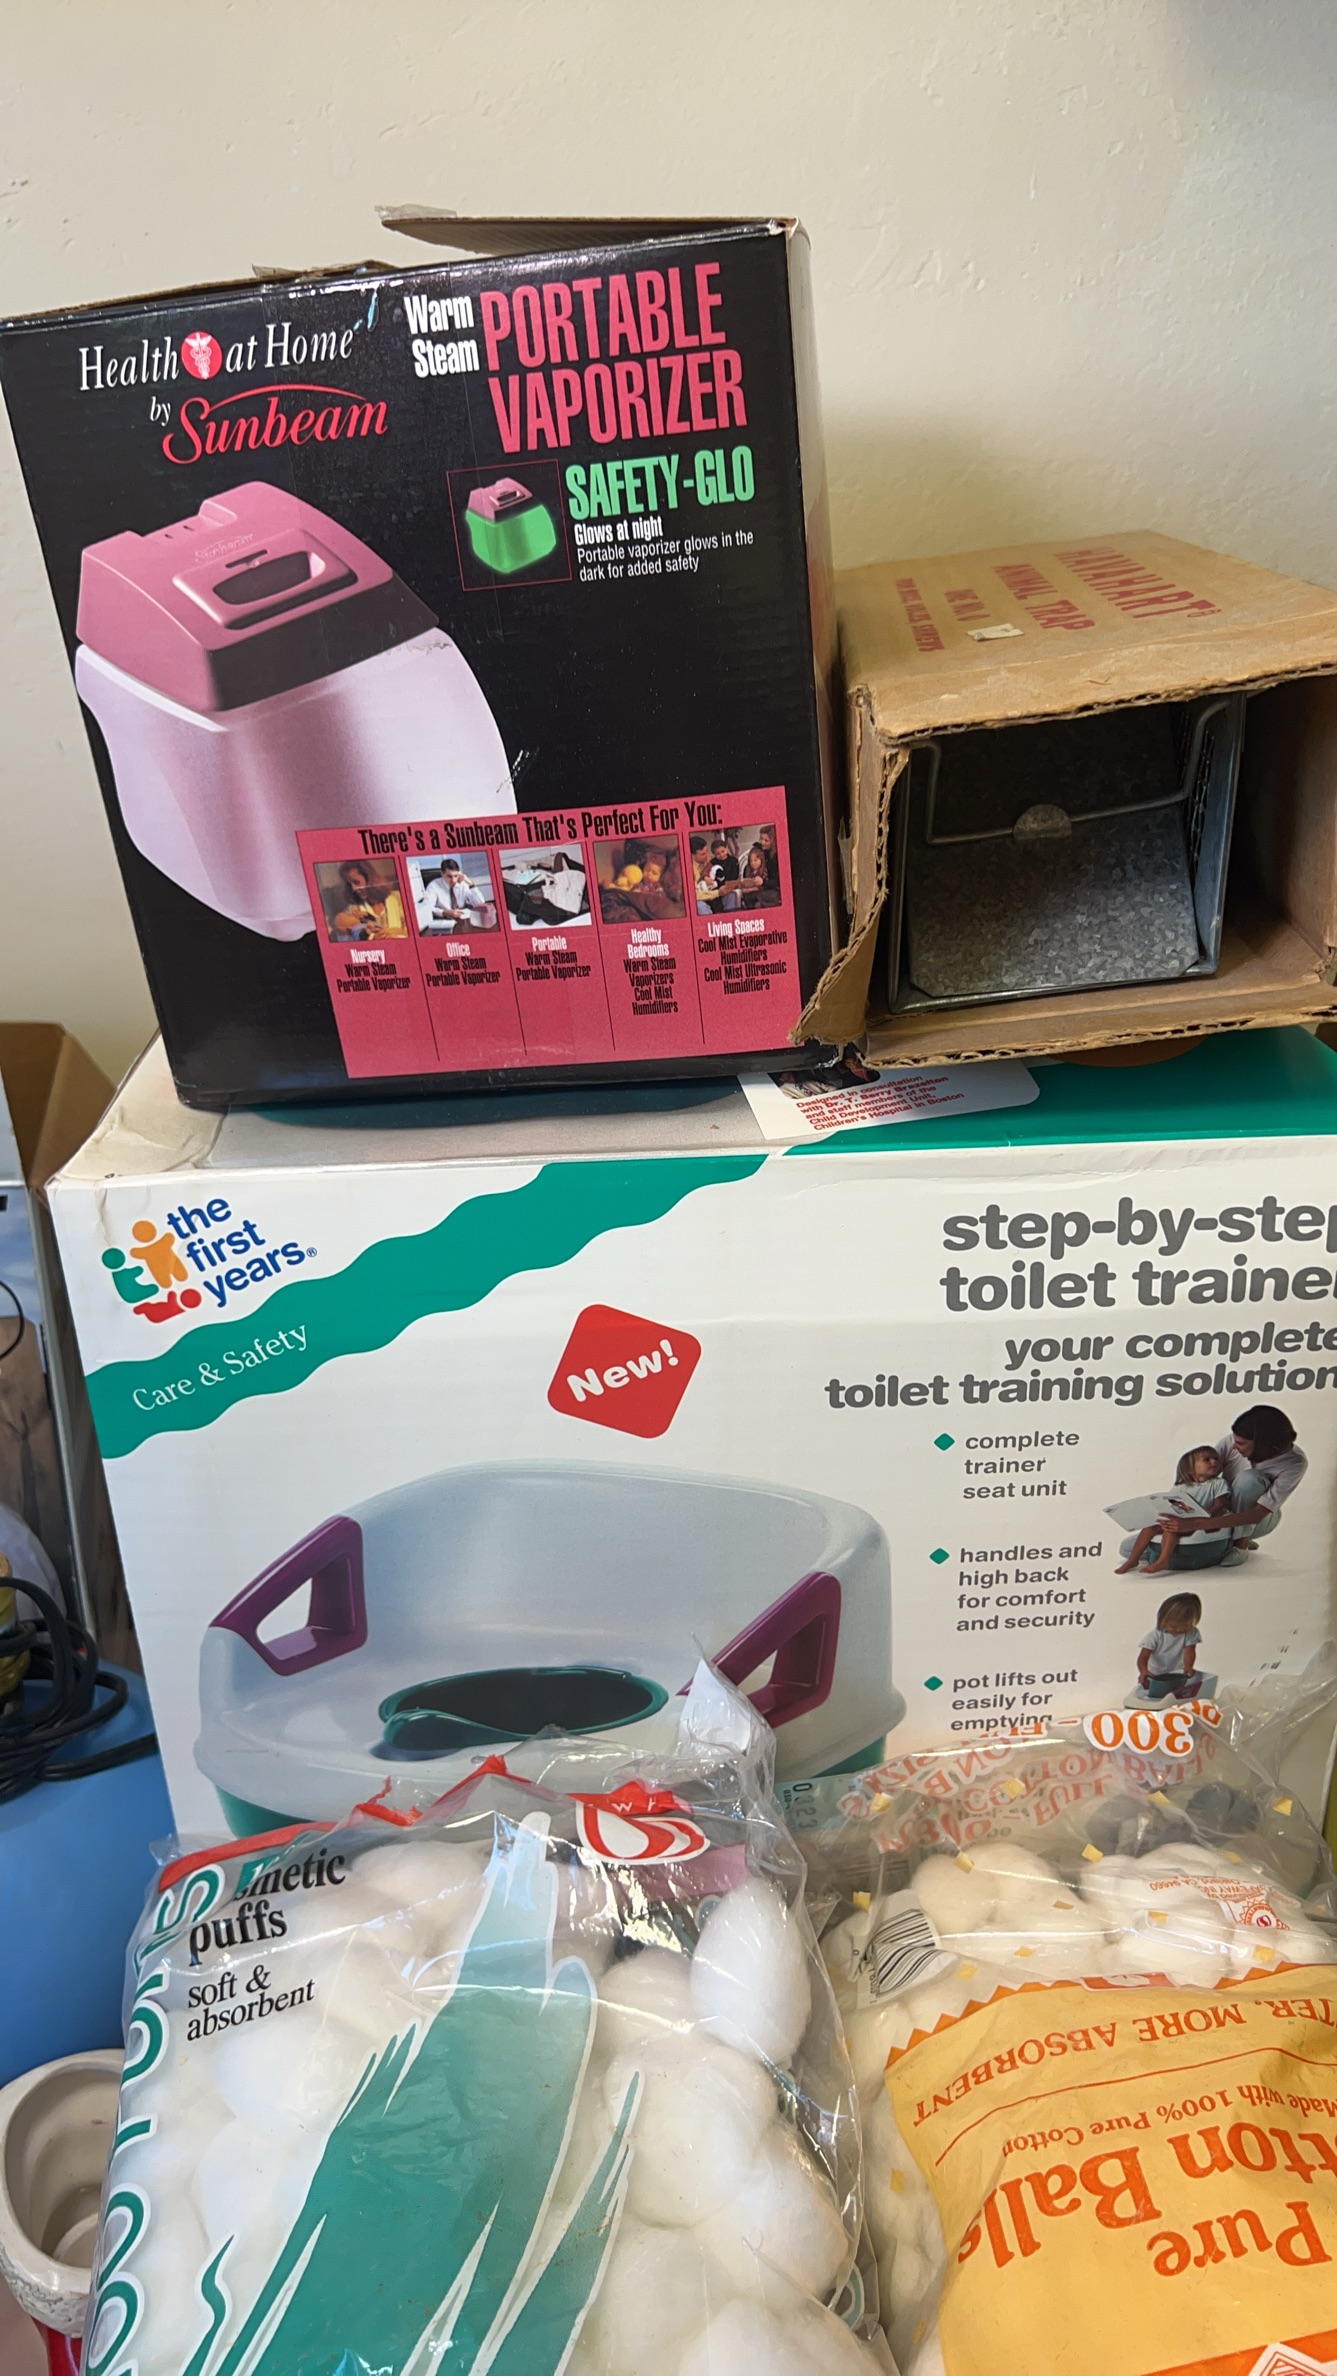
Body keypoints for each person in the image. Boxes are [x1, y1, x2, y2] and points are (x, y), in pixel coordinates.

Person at [1115, 1446, 1229, 1575]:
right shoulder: (1181, 1486)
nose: (1214, 1462)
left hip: (1200, 1523)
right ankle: (1133, 1559)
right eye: (1207, 1459)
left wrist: (1201, 1519)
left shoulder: (1218, 1483)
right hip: (1181, 1519)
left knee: (1171, 1529)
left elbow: (1219, 1506)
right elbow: (1170, 1504)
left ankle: (1163, 1560)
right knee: (1150, 1528)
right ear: (1190, 1468)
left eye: (1216, 1459)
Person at [1130, 1593, 1204, 1704]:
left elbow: (1189, 1651)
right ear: (1163, 1620)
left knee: (1174, 1698)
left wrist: (1188, 1667)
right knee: (1152, 1698)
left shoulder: (1191, 1633)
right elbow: (1143, 1656)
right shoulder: (1156, 1635)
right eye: (1173, 1626)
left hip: (1176, 1674)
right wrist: (1144, 1671)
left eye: (1184, 1626)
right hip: (1154, 1675)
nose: (1178, 1630)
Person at [332, 862, 405, 940]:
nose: (354, 889)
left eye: (357, 882)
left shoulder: (399, 898)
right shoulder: (352, 911)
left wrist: (390, 932)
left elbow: (412, 931)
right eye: (350, 884)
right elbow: (344, 938)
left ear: (369, 879)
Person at [419, 859, 491, 932]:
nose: (453, 880)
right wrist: (444, 912)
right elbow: (427, 908)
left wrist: (471, 884)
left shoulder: (462, 884)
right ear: (442, 874)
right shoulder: (433, 886)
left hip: (462, 922)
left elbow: (480, 904)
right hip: (443, 923)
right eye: (449, 876)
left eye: (456, 876)